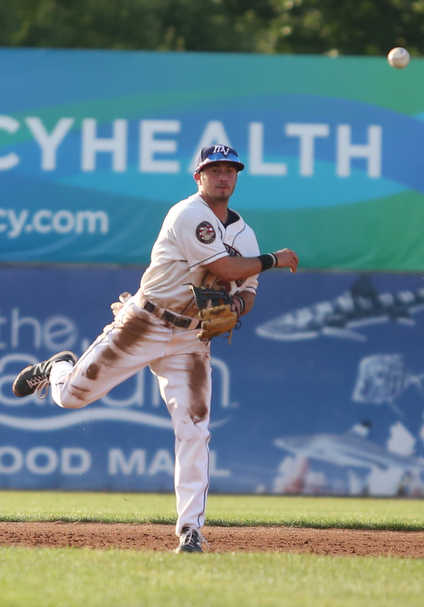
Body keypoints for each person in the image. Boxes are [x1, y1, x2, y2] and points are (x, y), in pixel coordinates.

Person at [12, 144, 299, 553]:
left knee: (195, 427)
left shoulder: (245, 234)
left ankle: (190, 531)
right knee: (72, 398)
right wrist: (273, 258)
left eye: (230, 170)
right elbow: (227, 269)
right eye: (213, 169)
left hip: (191, 338)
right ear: (197, 177)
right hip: (144, 321)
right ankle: (58, 368)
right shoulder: (189, 214)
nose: (223, 176)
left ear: (237, 177)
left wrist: (236, 305)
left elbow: (246, 289)